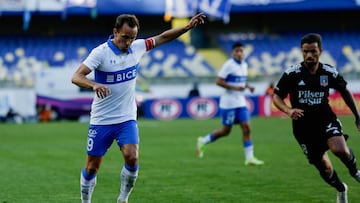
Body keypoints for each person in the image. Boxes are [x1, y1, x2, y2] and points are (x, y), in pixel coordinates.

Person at [71, 13, 207, 203]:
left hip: (126, 118)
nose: (128, 42)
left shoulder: (138, 47)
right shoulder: (100, 53)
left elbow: (163, 37)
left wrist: (186, 28)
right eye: (125, 37)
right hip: (101, 120)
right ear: (115, 32)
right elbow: (76, 76)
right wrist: (93, 85)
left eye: (132, 38)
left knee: (132, 157)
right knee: (92, 167)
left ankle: (123, 199)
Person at [272, 33, 360, 203]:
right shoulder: (292, 73)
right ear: (301, 51)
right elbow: (276, 97)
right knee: (325, 168)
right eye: (305, 52)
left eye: (313, 51)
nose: (309, 55)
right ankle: (341, 188)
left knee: (340, 149)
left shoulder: (328, 72)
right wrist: (288, 110)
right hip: (303, 129)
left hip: (325, 120)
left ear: (320, 50)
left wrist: (357, 116)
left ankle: (355, 172)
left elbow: (345, 91)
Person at [196, 42, 264, 166]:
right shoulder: (229, 65)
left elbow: (241, 82)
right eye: (237, 51)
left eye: (241, 51)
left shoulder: (244, 65)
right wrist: (234, 88)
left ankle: (249, 158)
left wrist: (248, 86)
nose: (239, 53)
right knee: (225, 131)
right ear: (233, 52)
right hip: (228, 104)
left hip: (240, 103)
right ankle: (203, 141)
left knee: (247, 128)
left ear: (244, 52)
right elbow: (218, 81)